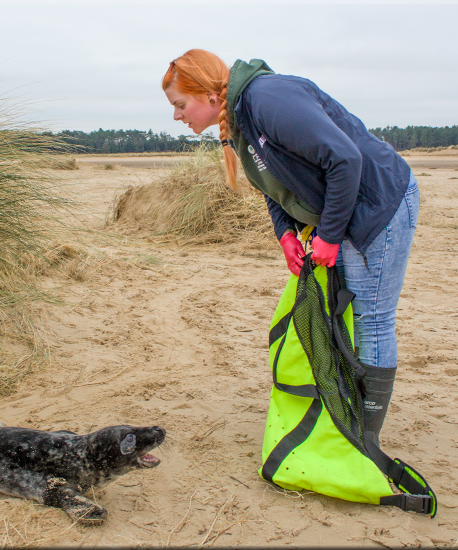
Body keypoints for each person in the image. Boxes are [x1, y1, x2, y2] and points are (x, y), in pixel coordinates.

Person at [162, 49, 420, 446]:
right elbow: (273, 184)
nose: (177, 116)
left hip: (377, 203)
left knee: (371, 319)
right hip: (345, 209)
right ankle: (347, 419)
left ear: (210, 96)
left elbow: (346, 160)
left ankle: (365, 438)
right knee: (345, 317)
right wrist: (285, 233)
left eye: (180, 105)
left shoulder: (267, 99)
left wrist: (330, 236)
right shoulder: (239, 122)